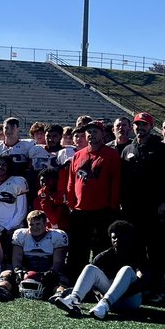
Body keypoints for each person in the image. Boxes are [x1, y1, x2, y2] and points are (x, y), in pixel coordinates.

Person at [119, 112, 165, 293]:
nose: (140, 127)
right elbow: (122, 180)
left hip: (154, 209)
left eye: (144, 124)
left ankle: (156, 288)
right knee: (135, 248)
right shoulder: (127, 149)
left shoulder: (161, 149)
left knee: (156, 250)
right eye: (137, 124)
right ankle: (136, 284)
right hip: (132, 209)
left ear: (151, 127)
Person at [51, 220, 148, 320]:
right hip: (109, 302)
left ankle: (105, 304)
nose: (116, 240)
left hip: (130, 301)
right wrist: (98, 292)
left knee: (126, 269)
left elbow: (142, 282)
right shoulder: (103, 257)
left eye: (121, 236)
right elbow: (91, 282)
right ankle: (74, 300)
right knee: (90, 268)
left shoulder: (138, 255)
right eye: (114, 237)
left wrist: (118, 291)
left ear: (129, 237)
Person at [64, 119, 121, 277]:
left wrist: (113, 206)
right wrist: (71, 203)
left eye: (95, 131)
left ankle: (100, 279)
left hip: (102, 210)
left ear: (103, 134)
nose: (91, 135)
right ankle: (75, 279)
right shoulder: (78, 155)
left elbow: (115, 182)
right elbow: (71, 181)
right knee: (77, 248)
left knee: (101, 248)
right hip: (80, 211)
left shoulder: (111, 155)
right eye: (88, 132)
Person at [11, 210, 69, 298]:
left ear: (45, 223)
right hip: (27, 271)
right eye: (31, 225)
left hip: (48, 271)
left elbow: (58, 261)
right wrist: (18, 270)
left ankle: (59, 294)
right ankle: (3, 288)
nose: (34, 227)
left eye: (38, 224)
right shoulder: (21, 235)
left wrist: (50, 273)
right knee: (7, 273)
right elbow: (17, 258)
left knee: (60, 280)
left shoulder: (57, 236)